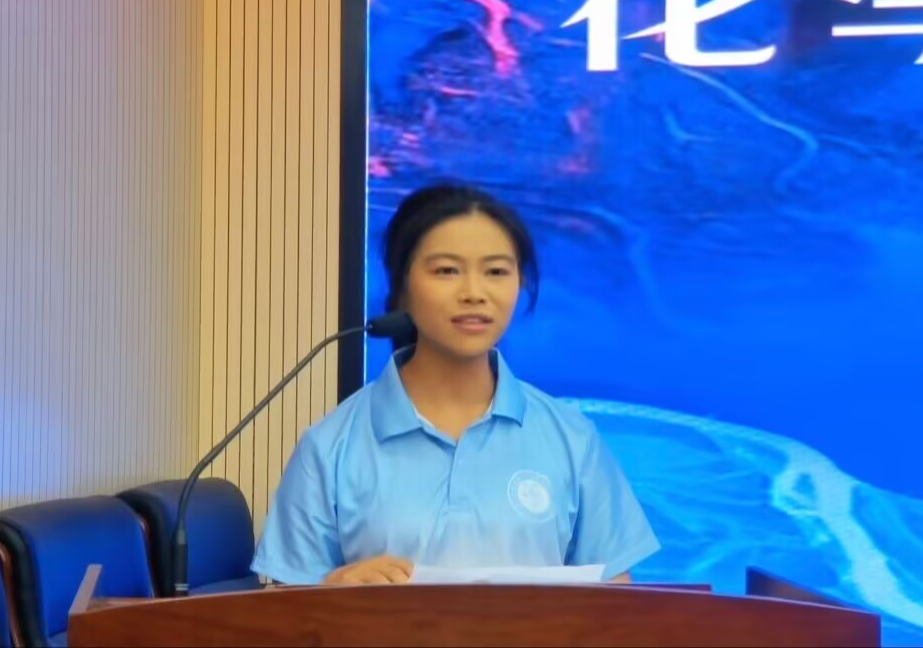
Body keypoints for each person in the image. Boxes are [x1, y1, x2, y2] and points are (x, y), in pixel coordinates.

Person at [251, 183, 659, 585]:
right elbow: (285, 609)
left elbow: (615, 599)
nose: (474, 293)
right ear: (401, 287)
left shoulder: (572, 439)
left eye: (496, 271)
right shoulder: (329, 447)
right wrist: (330, 593)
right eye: (446, 270)